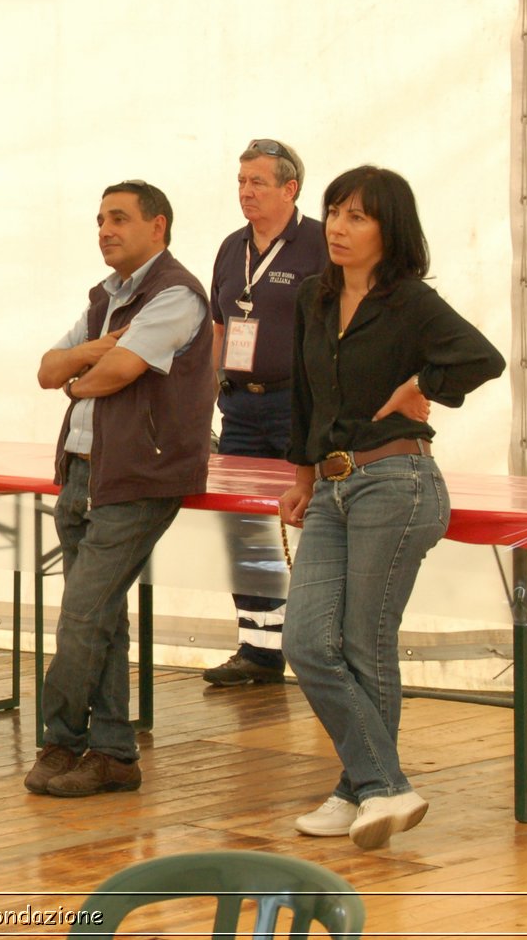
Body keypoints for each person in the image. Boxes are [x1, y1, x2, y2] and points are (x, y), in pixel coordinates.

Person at [280, 166, 503, 849]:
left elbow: (482, 358)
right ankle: (376, 787)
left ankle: (367, 790)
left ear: (390, 230)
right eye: (334, 213)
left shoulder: (410, 302)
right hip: (331, 487)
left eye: (357, 217)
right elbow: (303, 396)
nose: (339, 229)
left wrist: (422, 382)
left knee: (360, 642)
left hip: (396, 482)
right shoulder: (313, 301)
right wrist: (300, 476)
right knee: (307, 642)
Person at [23, 180, 214, 797]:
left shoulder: (177, 294)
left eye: (120, 218)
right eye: (100, 218)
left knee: (82, 615)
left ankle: (61, 739)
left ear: (158, 227)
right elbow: (47, 368)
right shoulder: (105, 298)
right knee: (101, 615)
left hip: (137, 476)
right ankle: (113, 753)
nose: (105, 229)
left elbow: (111, 376)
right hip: (82, 467)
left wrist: (86, 369)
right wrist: (94, 352)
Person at [204, 140, 328, 686]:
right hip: (240, 406)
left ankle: (323, 646)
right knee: (244, 527)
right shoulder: (232, 248)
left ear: (289, 189)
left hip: (298, 404)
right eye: (240, 182)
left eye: (257, 182)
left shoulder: (321, 243)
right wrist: (204, 399)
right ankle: (258, 649)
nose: (245, 192)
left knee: (317, 519)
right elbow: (219, 328)